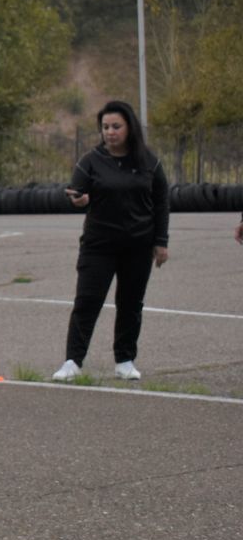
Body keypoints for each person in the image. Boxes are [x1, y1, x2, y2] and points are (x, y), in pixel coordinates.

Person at [53, 100, 171, 382]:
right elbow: (74, 192)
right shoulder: (91, 161)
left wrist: (161, 241)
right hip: (99, 246)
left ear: (129, 127)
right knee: (87, 301)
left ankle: (125, 360)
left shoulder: (149, 162)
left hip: (138, 246)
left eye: (116, 126)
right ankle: (72, 361)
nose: (110, 132)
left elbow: (161, 202)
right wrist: (78, 200)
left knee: (131, 304)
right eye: (105, 127)